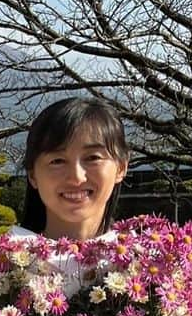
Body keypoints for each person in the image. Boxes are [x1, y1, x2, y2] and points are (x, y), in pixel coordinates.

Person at [12, 96, 128, 241]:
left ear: (121, 167)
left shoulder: (148, 258)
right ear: (33, 175)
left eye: (93, 158)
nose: (76, 177)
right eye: (58, 161)